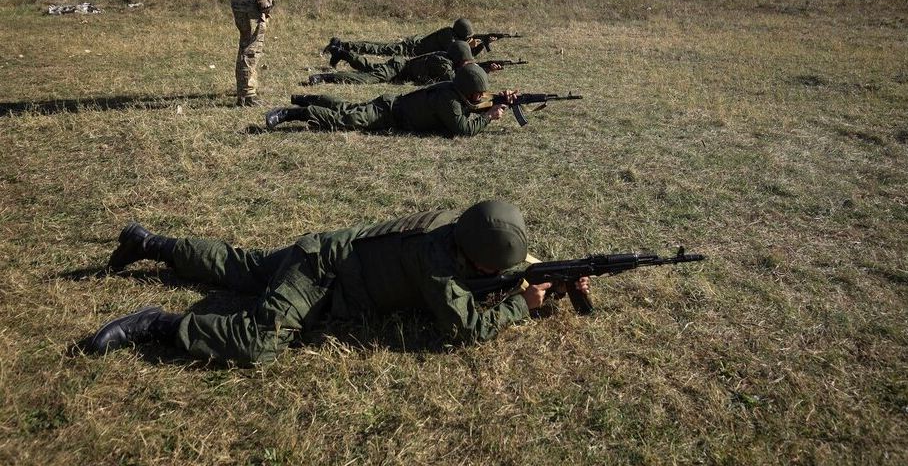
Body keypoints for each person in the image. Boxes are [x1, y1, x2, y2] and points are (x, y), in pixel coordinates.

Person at [88, 201, 590, 365]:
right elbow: (464, 331)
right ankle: (155, 324)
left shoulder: (464, 228)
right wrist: (520, 306)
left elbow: (508, 258)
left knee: (244, 268)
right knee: (262, 342)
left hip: (328, 249)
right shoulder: (435, 264)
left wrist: (550, 274)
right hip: (323, 274)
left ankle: (148, 242)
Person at [265, 63, 514, 136]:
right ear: (467, 89)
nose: (481, 97)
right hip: (389, 113)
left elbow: (471, 105)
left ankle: (308, 99)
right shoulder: (448, 100)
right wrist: (489, 117)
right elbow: (462, 127)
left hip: (391, 104)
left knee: (347, 107)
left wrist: (497, 100)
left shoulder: (456, 91)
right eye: (478, 93)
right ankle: (293, 114)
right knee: (346, 118)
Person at [308, 40, 498, 86]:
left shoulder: (447, 58)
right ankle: (325, 77)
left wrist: (483, 69)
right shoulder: (444, 64)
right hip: (399, 68)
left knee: (368, 65)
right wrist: (481, 72)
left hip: (401, 67)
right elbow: (454, 82)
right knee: (366, 78)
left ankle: (340, 52)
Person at [323, 18, 474, 58]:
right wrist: (472, 46)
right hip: (409, 48)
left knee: (378, 46)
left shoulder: (451, 33)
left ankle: (343, 45)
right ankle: (341, 45)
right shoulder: (449, 36)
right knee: (377, 48)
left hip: (414, 45)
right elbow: (457, 54)